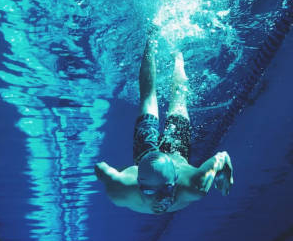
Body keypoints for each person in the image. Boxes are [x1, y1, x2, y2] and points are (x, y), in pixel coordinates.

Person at [94, 29, 234, 214]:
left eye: (165, 189)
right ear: (139, 184)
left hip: (152, 154)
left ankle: (176, 54)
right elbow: (100, 169)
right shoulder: (195, 186)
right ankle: (153, 41)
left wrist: (226, 170)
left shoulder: (193, 186)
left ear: (175, 181)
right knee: (172, 99)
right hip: (170, 150)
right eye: (149, 190)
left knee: (151, 98)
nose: (158, 198)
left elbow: (222, 157)